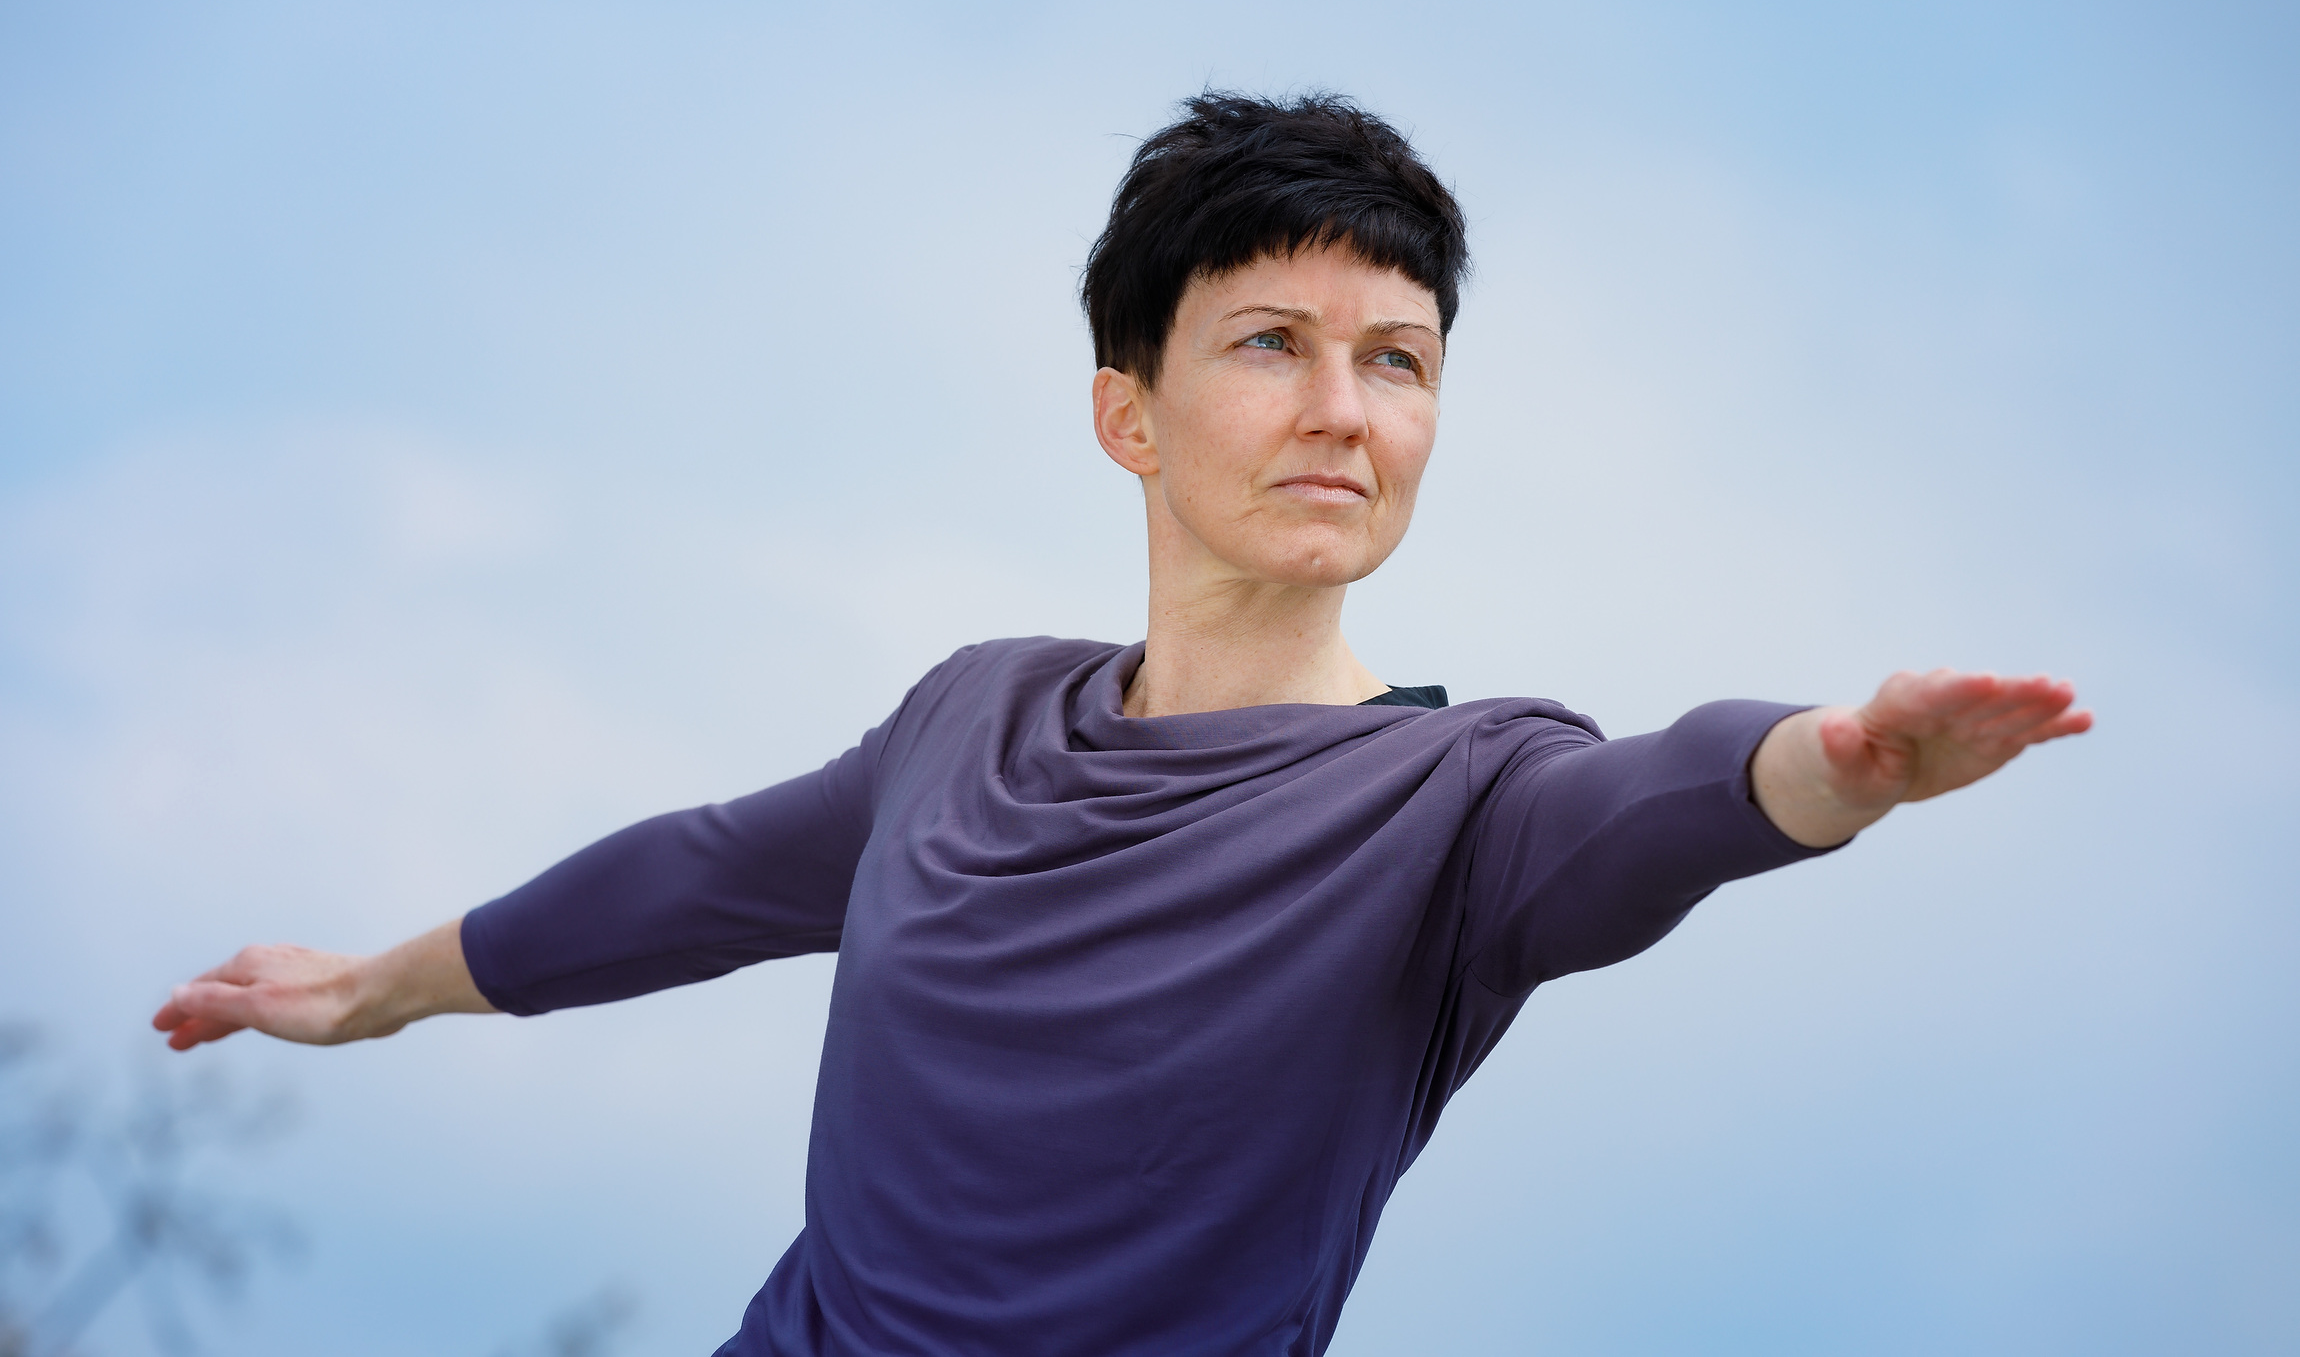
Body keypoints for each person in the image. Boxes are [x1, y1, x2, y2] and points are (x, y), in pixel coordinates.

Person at [153, 93, 2091, 1357]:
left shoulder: (1461, 797)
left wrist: (1834, 767)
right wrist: (374, 990)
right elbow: (696, 877)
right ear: (1127, 412)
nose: (1344, 406)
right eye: (1272, 342)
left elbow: (1644, 810)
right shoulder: (970, 718)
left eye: (1395, 360)